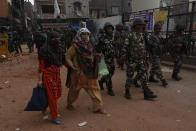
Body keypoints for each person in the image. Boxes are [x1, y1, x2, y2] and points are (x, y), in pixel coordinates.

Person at [66, 28, 105, 114]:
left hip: (89, 71)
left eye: (87, 34)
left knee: (95, 88)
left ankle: (97, 107)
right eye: (83, 34)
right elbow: (67, 57)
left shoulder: (89, 45)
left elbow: (91, 55)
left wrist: (97, 55)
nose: (85, 36)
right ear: (79, 35)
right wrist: (72, 66)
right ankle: (69, 103)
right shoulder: (74, 46)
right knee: (74, 89)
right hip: (78, 73)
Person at [122, 19, 157, 100]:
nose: (141, 27)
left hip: (141, 60)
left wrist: (149, 55)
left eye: (141, 26)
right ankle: (127, 91)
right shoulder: (129, 36)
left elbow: (147, 46)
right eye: (139, 25)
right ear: (135, 26)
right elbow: (125, 48)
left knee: (144, 77)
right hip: (132, 60)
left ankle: (146, 94)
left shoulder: (143, 35)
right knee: (129, 77)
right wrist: (125, 60)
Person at [38, 31, 66, 125]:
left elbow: (64, 60)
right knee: (53, 95)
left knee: (58, 93)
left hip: (57, 73)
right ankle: (54, 117)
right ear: (49, 39)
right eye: (54, 38)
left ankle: (45, 106)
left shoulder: (59, 48)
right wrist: (39, 80)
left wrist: (73, 67)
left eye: (58, 38)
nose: (56, 40)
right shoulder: (44, 49)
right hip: (48, 74)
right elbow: (41, 66)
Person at [96, 22, 116, 96]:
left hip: (111, 58)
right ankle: (109, 89)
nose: (110, 30)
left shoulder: (112, 37)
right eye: (108, 28)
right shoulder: (102, 38)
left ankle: (101, 82)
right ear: (105, 29)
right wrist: (99, 54)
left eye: (111, 28)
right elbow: (96, 48)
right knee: (108, 74)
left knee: (112, 73)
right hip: (104, 59)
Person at [148, 22, 168, 87]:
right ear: (155, 29)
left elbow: (163, 44)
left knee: (154, 66)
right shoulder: (152, 36)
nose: (159, 30)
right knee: (157, 67)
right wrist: (153, 44)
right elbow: (149, 44)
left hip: (159, 54)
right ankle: (163, 80)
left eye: (160, 29)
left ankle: (151, 77)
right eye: (158, 29)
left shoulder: (160, 36)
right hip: (154, 54)